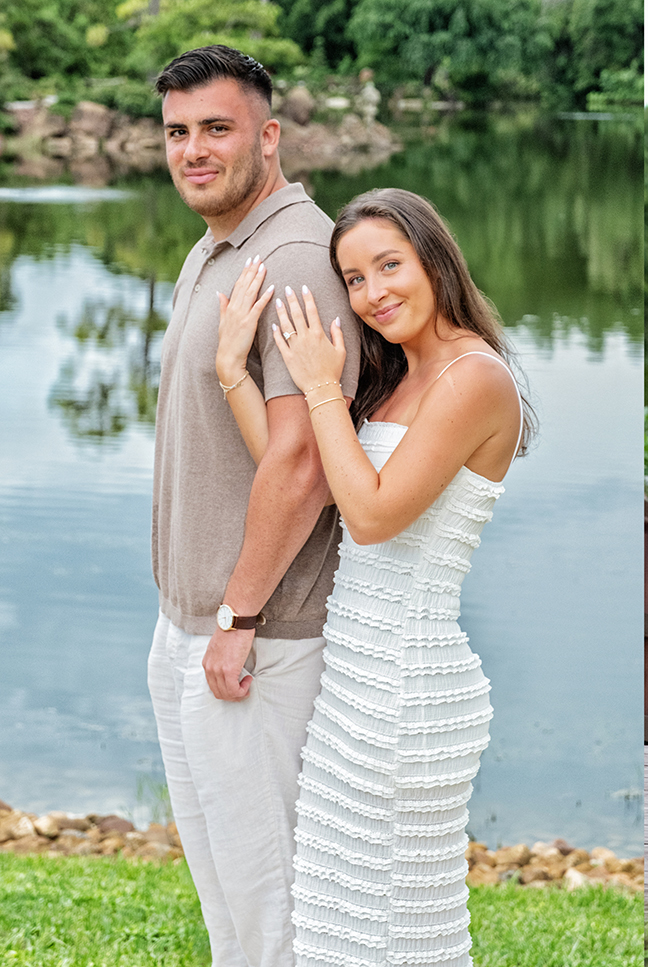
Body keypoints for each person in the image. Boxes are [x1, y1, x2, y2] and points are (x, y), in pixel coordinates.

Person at [217, 188, 531, 965]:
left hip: (408, 691)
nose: (372, 293)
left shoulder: (473, 377)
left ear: (434, 257)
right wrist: (235, 372)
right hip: (355, 685)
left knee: (394, 935)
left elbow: (372, 515)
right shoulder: (400, 378)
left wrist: (323, 385)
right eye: (354, 279)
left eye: (389, 265)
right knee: (337, 928)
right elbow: (316, 483)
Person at [147, 45, 363, 966]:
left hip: (256, 635)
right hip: (193, 621)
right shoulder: (220, 244)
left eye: (216, 129)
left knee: (273, 906)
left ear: (268, 136)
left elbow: (305, 461)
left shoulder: (297, 261)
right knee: (229, 903)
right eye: (177, 133)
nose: (194, 151)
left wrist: (237, 614)